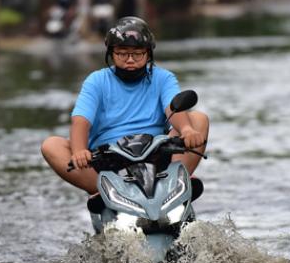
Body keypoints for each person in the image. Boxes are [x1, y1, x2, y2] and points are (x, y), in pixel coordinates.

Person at [41, 16, 209, 196]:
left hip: (156, 151)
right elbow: (81, 120)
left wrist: (186, 129)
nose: (130, 60)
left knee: (199, 119)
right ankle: (103, 191)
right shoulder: (96, 80)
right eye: (122, 53)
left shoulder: (163, 78)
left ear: (148, 53)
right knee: (51, 145)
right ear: (111, 53)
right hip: (107, 157)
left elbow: (173, 106)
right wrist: (80, 150)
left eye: (137, 54)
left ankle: (176, 180)